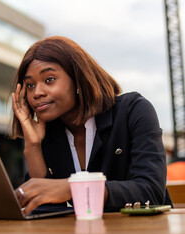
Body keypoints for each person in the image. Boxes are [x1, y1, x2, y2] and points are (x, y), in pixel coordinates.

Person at [10, 36, 172, 215]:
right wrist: (33, 146)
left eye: (49, 79)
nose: (37, 93)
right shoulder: (48, 132)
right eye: (30, 85)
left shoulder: (133, 110)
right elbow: (41, 206)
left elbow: (151, 190)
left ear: (77, 79)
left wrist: (74, 188)